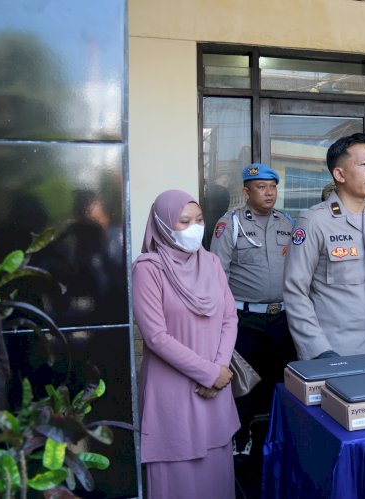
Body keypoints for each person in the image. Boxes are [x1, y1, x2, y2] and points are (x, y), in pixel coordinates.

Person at [132, 190, 239, 499]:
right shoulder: (148, 269)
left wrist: (220, 368)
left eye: (199, 219)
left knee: (216, 476)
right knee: (177, 479)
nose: (195, 227)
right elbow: (155, 337)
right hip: (174, 391)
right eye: (184, 221)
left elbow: (229, 318)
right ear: (163, 225)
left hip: (215, 386)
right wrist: (208, 373)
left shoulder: (212, 263)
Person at [283, 133, 365, 361]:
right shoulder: (314, 221)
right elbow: (295, 292)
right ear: (339, 174)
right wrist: (319, 351)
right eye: (364, 165)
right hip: (337, 352)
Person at [209, 163, 296, 482]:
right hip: (244, 319)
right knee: (243, 385)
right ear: (246, 192)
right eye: (261, 186)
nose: (269, 191)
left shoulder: (287, 222)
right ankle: (241, 439)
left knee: (284, 382)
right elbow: (218, 277)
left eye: (273, 185)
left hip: (283, 317)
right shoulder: (229, 224)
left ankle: (281, 437)